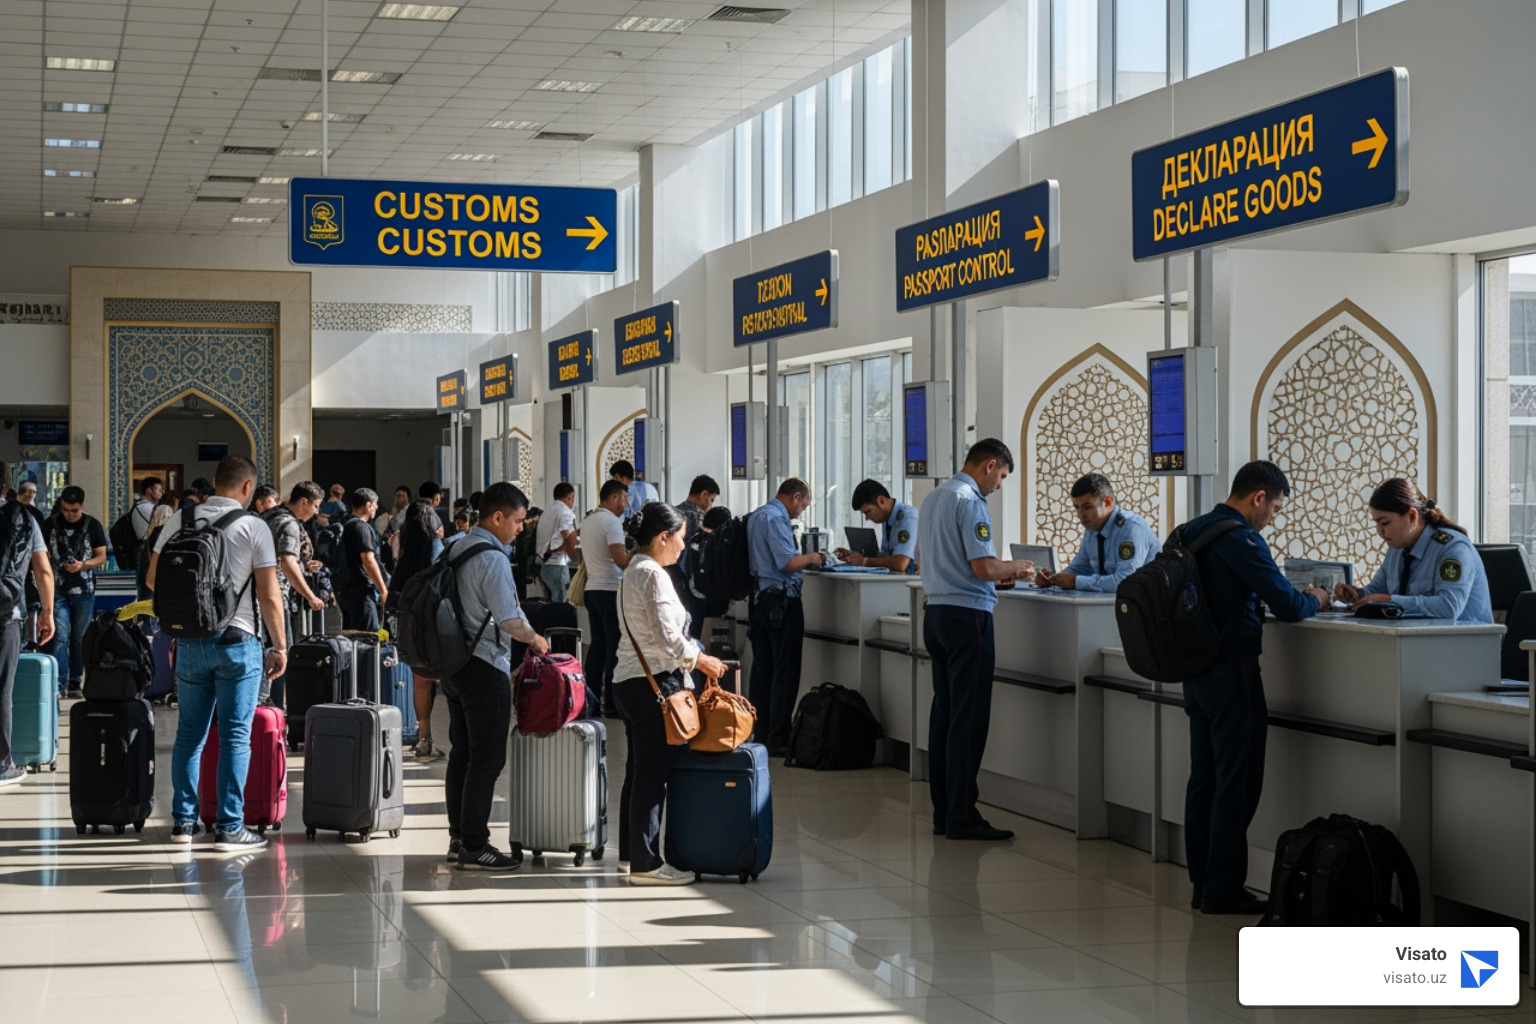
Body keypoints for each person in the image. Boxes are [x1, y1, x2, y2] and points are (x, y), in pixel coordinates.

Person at [1178, 460, 1330, 914]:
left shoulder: (1189, 530)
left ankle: (1202, 881)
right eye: (1275, 508)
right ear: (1258, 497)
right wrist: (1318, 598)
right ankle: (1222, 888)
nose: (1272, 518)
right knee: (1237, 783)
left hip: (1195, 671)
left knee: (1203, 779)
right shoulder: (1242, 539)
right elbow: (1287, 604)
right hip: (1232, 673)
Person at [148, 455, 288, 850]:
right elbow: (269, 595)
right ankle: (229, 827)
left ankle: (183, 824)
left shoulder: (181, 519)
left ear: (213, 482)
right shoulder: (254, 526)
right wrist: (279, 646)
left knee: (189, 735)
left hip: (189, 643)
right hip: (237, 644)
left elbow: (152, 577)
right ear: (248, 488)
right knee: (235, 736)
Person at [917, 439, 1037, 841]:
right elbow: (984, 566)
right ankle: (962, 816)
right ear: (989, 465)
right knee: (968, 720)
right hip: (967, 617)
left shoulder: (934, 497)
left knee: (945, 716)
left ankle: (943, 812)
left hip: (935, 613)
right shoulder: (969, 501)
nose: (999, 486)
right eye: (1001, 477)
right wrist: (1016, 568)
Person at [612, 502, 727, 885]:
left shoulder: (632, 570)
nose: (682, 546)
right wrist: (703, 660)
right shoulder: (652, 575)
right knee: (652, 775)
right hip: (654, 685)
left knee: (638, 772)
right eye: (679, 538)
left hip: (630, 682)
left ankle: (631, 855)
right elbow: (667, 638)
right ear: (662, 537)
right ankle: (646, 864)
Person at [439, 482, 548, 870]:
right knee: (487, 759)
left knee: (462, 753)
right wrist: (536, 640)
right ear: (497, 517)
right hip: (484, 665)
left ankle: (458, 836)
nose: (521, 528)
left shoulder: (456, 546)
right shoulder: (494, 558)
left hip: (452, 664)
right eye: (518, 521)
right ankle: (475, 843)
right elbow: (509, 619)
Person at [1333, 478, 1493, 623]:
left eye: (1385, 523)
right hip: (1416, 643)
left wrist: (1391, 601)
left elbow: (1449, 607)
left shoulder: (1453, 549)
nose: (1380, 532)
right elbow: (1377, 590)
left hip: (1464, 646)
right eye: (1377, 524)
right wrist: (1356, 596)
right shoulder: (1397, 549)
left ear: (1412, 516)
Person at [746, 478, 827, 756]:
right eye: (803, 505)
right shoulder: (776, 519)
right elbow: (787, 562)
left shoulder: (756, 516)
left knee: (763, 670)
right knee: (785, 670)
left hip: (759, 602)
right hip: (782, 602)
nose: (801, 511)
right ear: (795, 496)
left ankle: (761, 730)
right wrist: (814, 557)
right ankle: (779, 737)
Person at [0, 500, 54, 788]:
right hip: (6, 615)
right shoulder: (20, 518)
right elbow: (43, 571)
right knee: (2, 691)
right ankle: (2, 765)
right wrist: (47, 613)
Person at [261, 482, 328, 708]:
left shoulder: (268, 515)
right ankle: (276, 715)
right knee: (281, 656)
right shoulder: (288, 523)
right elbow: (287, 562)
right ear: (303, 502)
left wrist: (304, 564)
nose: (316, 512)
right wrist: (311, 596)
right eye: (315, 506)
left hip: (254, 595)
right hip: (276, 596)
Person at [1036, 473, 1160, 592]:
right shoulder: (1092, 528)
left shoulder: (1131, 529)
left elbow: (1126, 582)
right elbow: (1080, 567)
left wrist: (1076, 582)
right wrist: (1053, 579)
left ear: (1108, 502)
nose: (1080, 515)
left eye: (1087, 507)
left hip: (1145, 607)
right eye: (1077, 508)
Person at [391, 499, 447, 761]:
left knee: (420, 682)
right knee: (447, 677)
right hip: (435, 622)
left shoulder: (404, 548)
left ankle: (424, 738)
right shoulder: (435, 546)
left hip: (409, 622)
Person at [44, 486, 110, 699]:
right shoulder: (50, 524)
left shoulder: (93, 525)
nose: (69, 514)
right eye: (65, 509)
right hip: (57, 589)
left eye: (73, 510)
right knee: (60, 636)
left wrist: (83, 565)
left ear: (82, 505)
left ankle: (75, 681)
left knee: (80, 638)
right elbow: (41, 555)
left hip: (85, 589)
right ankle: (60, 683)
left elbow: (102, 556)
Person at [579, 480, 632, 717]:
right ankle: (612, 704)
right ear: (613, 497)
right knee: (614, 647)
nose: (626, 504)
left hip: (592, 590)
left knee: (598, 647)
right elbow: (621, 560)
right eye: (624, 498)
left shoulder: (588, 520)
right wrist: (642, 554)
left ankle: (590, 701)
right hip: (609, 590)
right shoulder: (611, 522)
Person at [834, 479, 919, 573]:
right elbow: (886, 558)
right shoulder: (887, 520)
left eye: (868, 512)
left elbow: (899, 564)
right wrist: (853, 556)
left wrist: (863, 561)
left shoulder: (908, 518)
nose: (867, 518)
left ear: (881, 500)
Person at [338, 488, 388, 632]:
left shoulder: (346, 524)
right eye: (375, 504)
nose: (377, 507)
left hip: (346, 589)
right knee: (366, 637)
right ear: (368, 505)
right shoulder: (361, 527)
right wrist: (382, 588)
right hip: (361, 590)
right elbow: (368, 559)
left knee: (351, 637)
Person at [534, 482, 579, 603]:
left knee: (552, 604)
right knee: (561, 605)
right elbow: (567, 535)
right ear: (570, 497)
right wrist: (574, 555)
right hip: (557, 565)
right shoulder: (566, 513)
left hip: (544, 566)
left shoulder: (547, 512)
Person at [137, 504, 174, 601]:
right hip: (158, 580)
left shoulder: (148, 537)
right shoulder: (162, 532)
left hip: (147, 579)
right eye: (166, 517)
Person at [132, 476, 163, 544]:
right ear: (149, 490)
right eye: (159, 489)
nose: (161, 492)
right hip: (146, 547)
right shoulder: (144, 507)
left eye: (161, 490)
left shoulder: (142, 506)